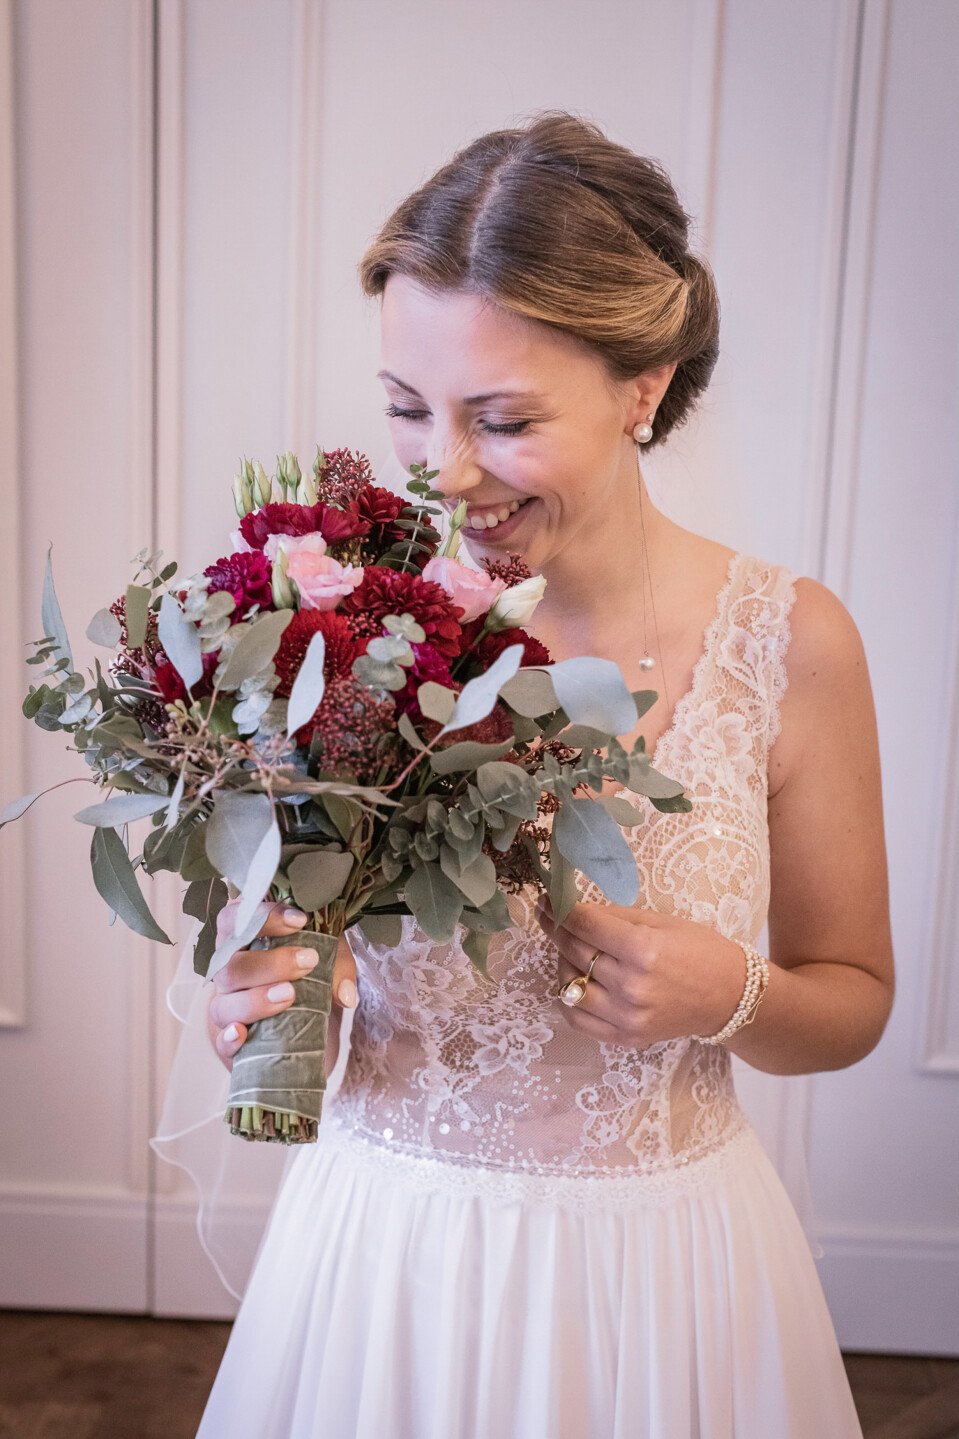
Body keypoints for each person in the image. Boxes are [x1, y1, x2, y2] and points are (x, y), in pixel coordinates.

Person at [164, 110, 895, 1436]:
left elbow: (852, 1002)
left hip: (666, 1284)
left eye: (499, 420)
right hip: (391, 1268)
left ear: (642, 388)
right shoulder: (346, 631)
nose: (441, 473)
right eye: (404, 409)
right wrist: (266, 1001)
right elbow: (284, 940)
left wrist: (729, 995)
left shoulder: (792, 644)